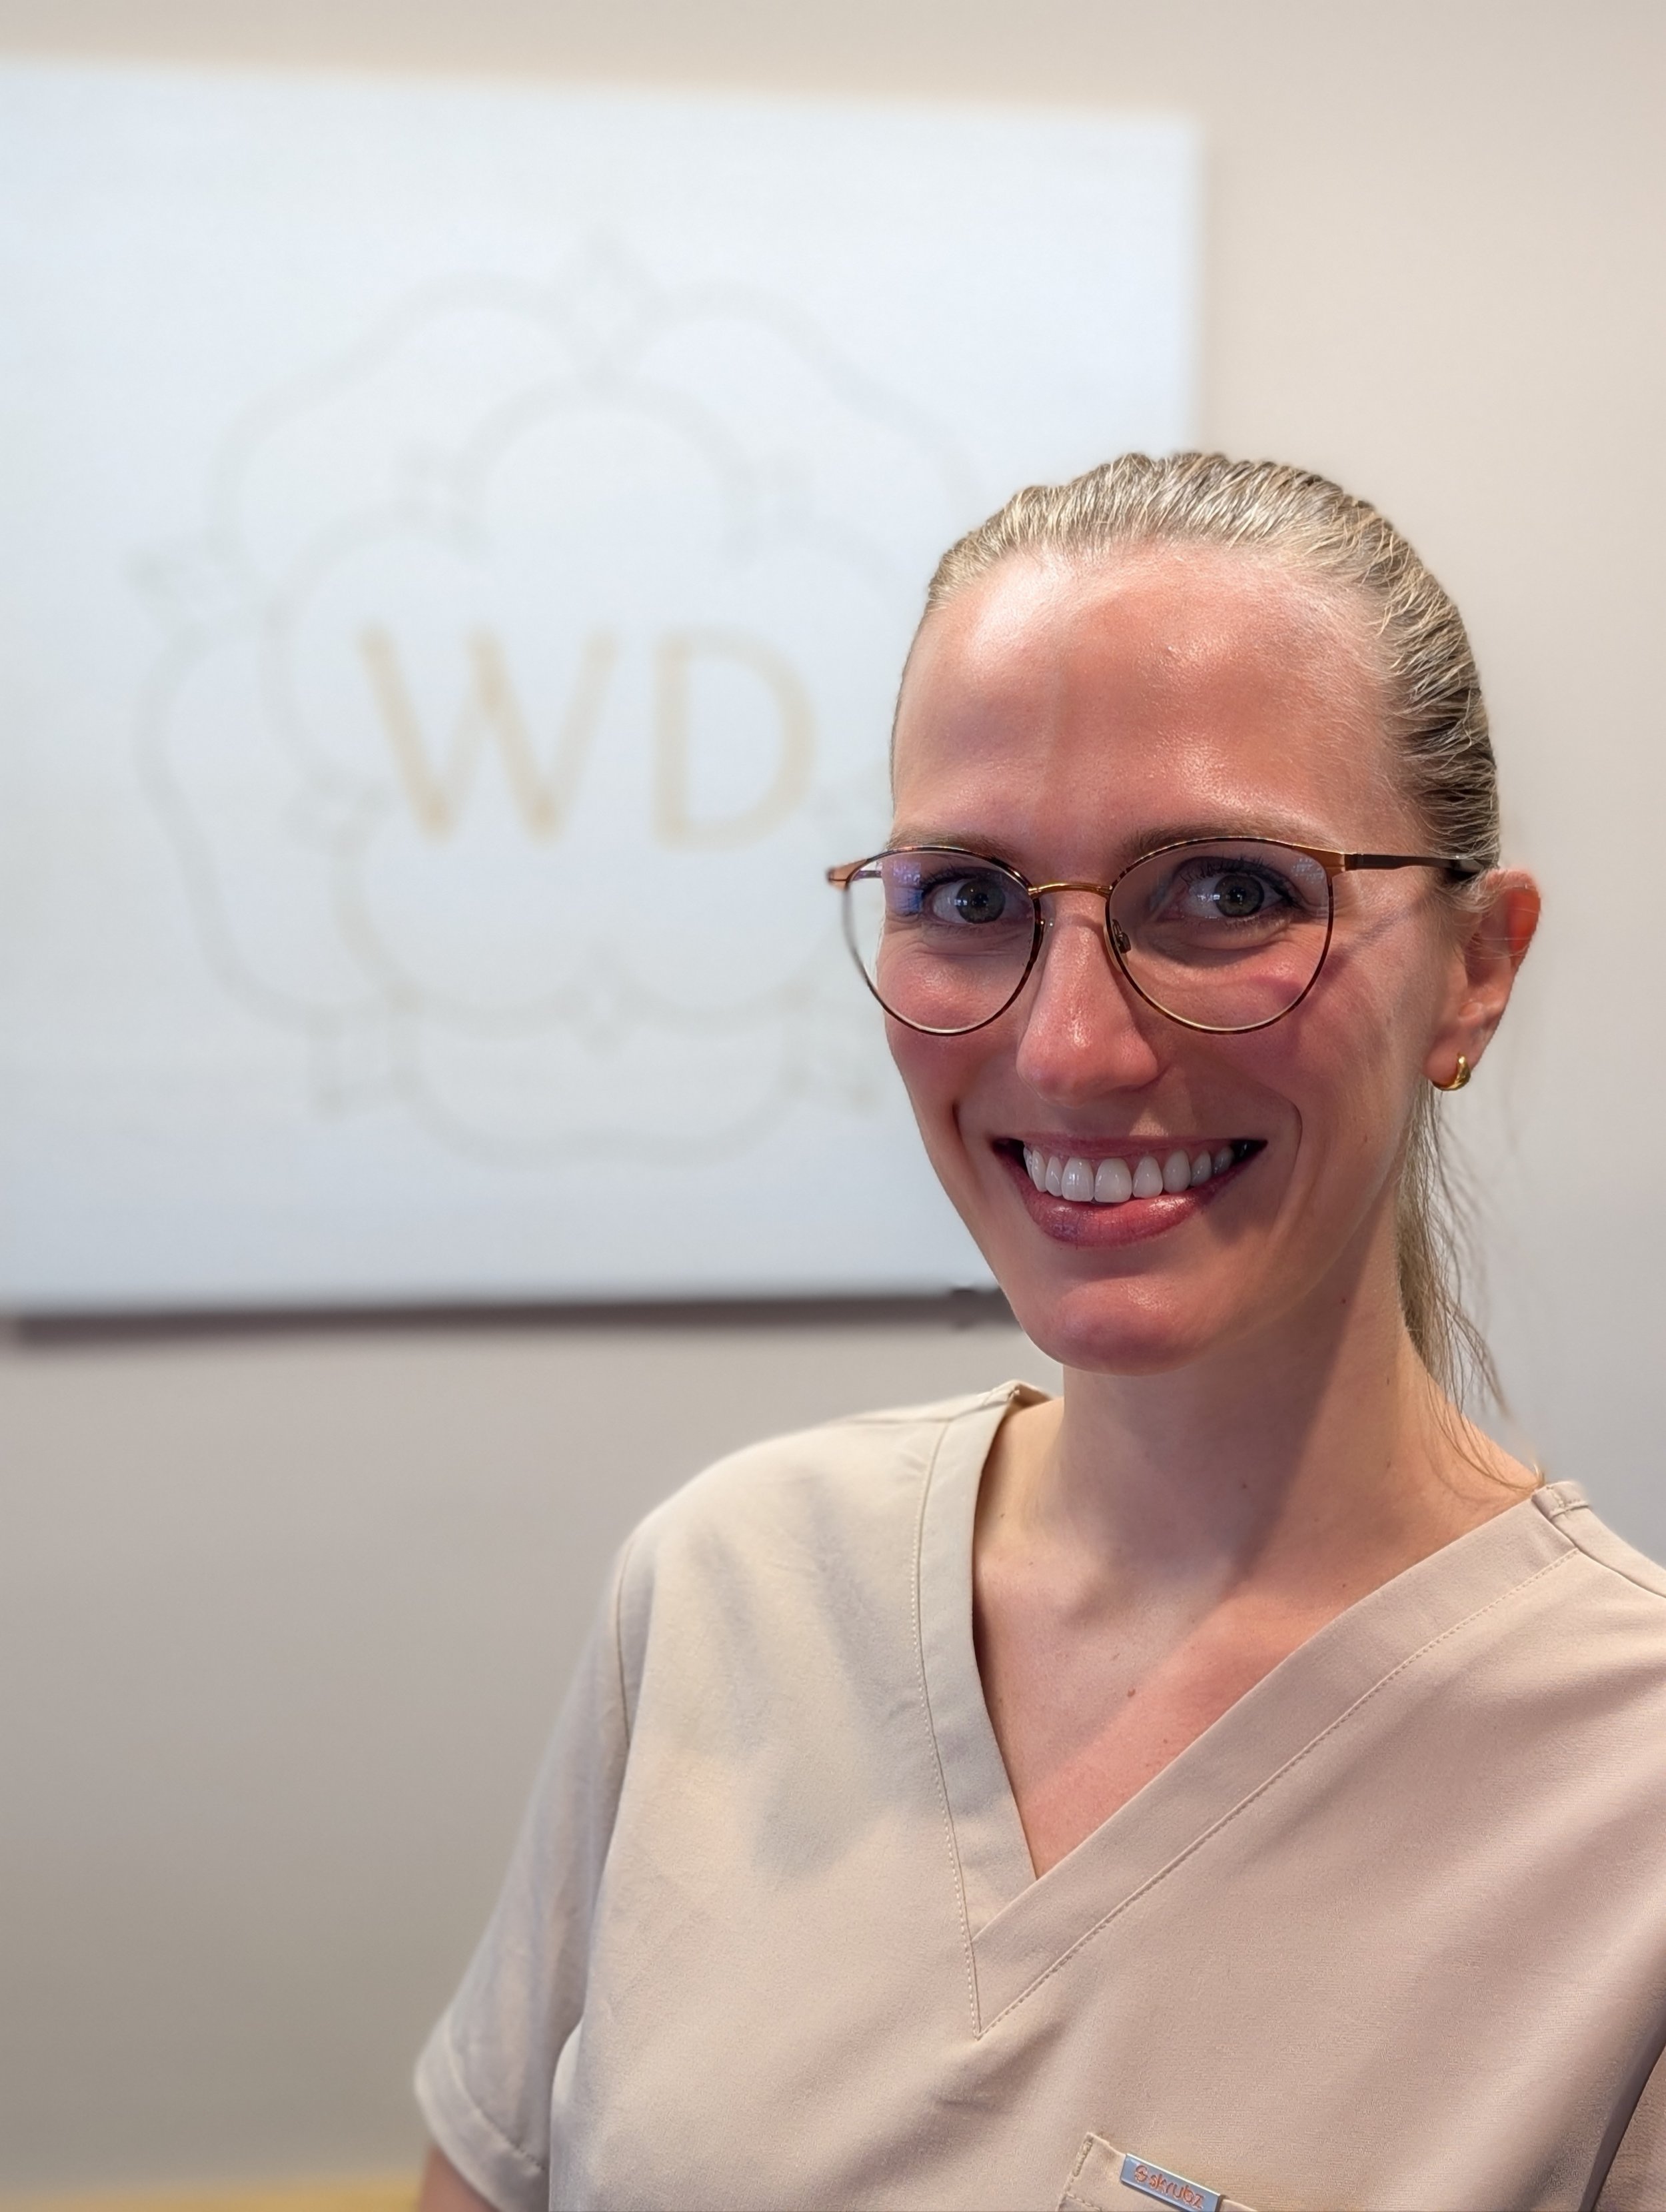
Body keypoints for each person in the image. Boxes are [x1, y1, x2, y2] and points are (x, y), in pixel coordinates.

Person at [414, 454, 1666, 2212]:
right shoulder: (730, 1586)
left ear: (1474, 963)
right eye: (970, 897)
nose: (1070, 1048)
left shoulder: (1621, 1803)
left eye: (1228, 891)